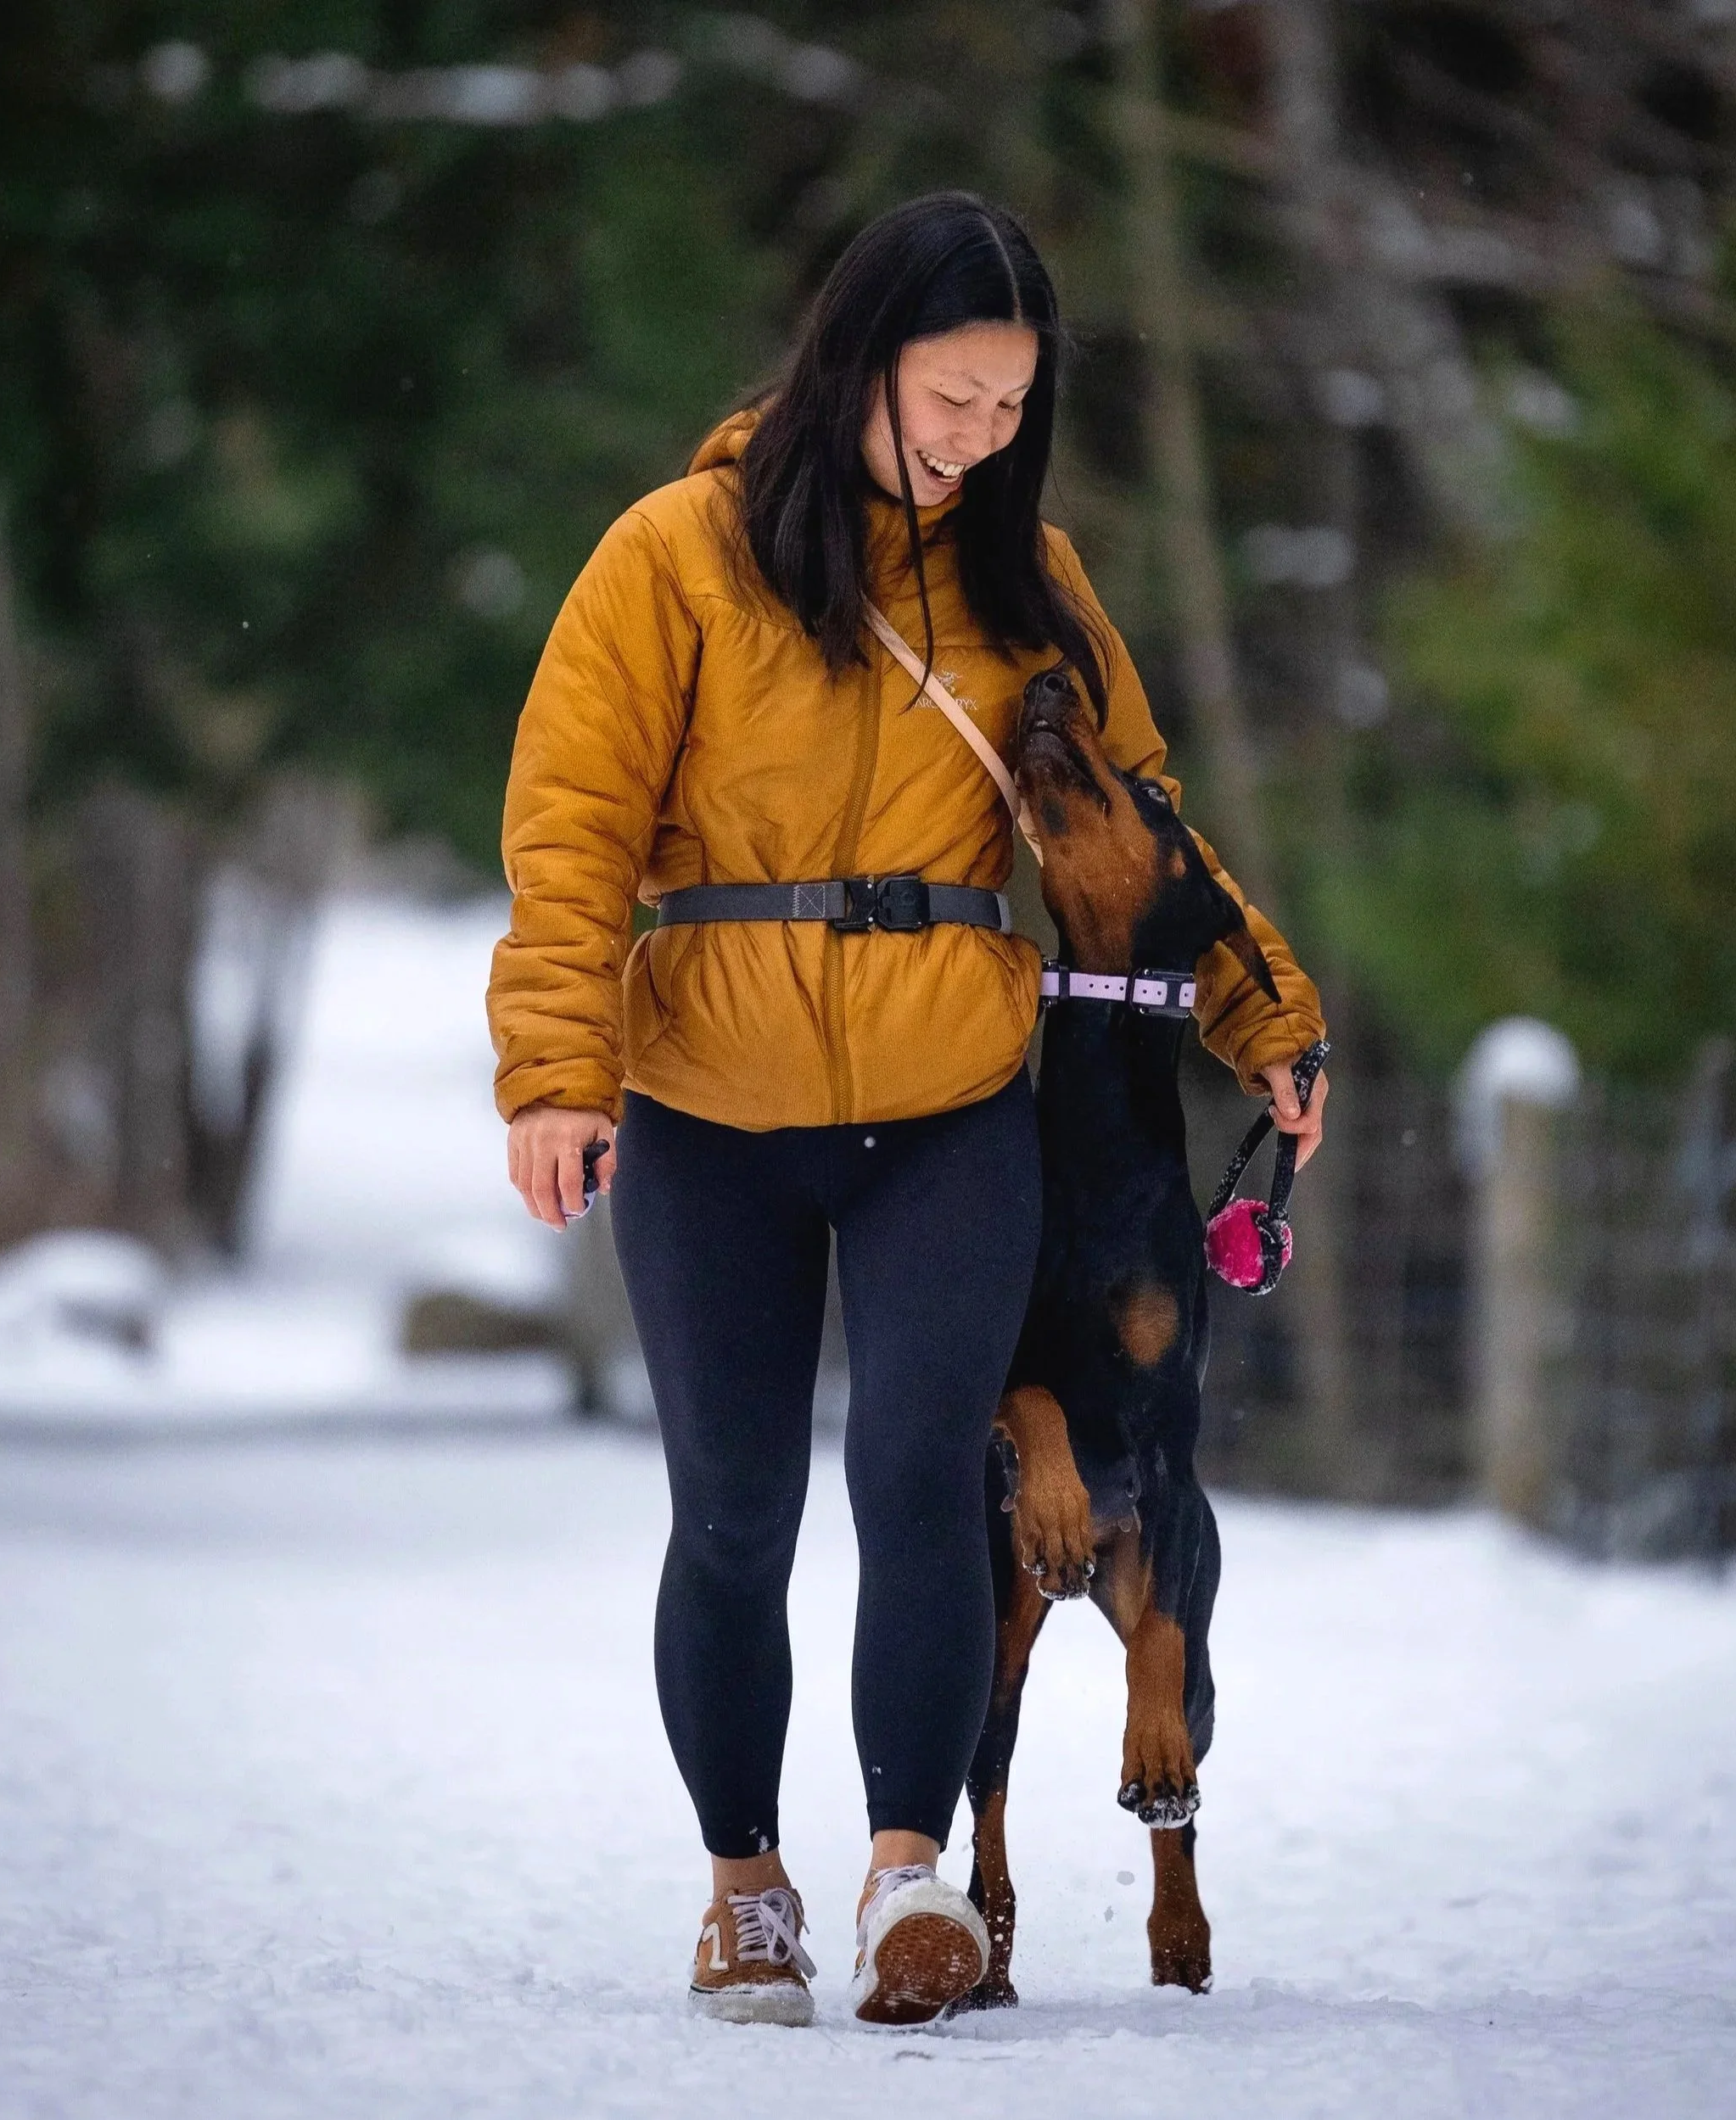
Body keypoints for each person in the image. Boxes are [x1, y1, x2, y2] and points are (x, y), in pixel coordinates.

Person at [487, 191, 1329, 2028]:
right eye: (950, 397)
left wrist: (1261, 1009)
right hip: (711, 1101)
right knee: (730, 1515)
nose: (975, 440)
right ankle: (743, 1885)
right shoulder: (675, 556)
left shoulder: (1032, 585)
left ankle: (901, 1879)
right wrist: (558, 1072)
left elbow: (1142, 813)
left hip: (953, 1101)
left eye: (1010, 408)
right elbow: (570, 835)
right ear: (856, 359)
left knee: (923, 1484)